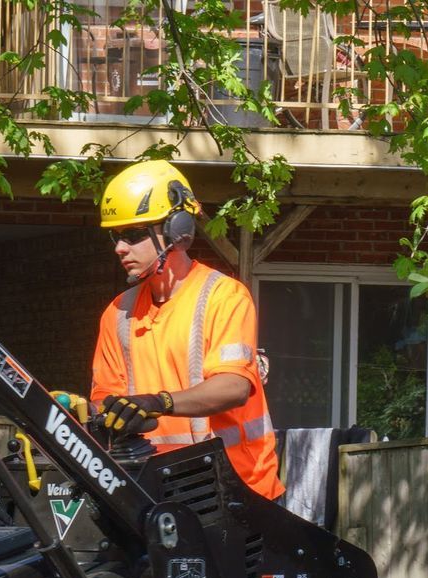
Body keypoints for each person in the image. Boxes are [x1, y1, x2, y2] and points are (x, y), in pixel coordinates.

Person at [87, 160, 282, 499]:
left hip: (240, 491)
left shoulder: (224, 296)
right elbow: (105, 401)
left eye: (133, 235)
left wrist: (157, 402)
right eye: (116, 237)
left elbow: (233, 387)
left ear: (177, 231)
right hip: (160, 492)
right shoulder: (118, 313)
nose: (120, 248)